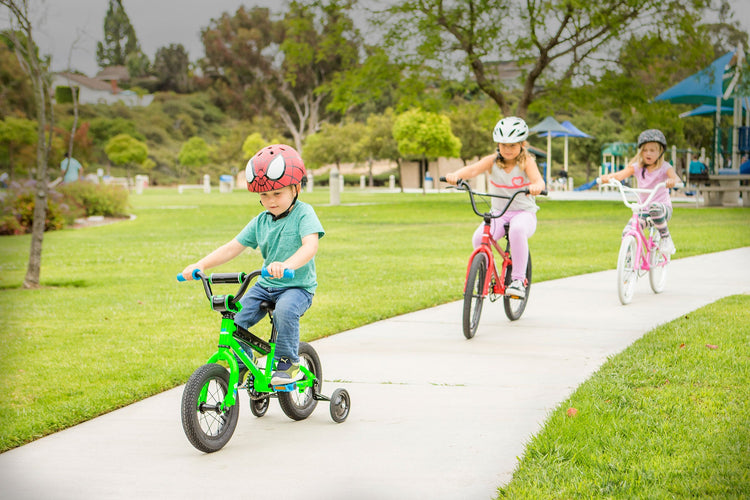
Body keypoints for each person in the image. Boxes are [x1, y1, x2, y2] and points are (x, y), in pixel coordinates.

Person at [180, 144, 324, 385]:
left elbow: (310, 246)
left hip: (296, 287)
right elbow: (232, 247)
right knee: (235, 320)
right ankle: (244, 365)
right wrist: (201, 264)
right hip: (265, 286)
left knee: (285, 310)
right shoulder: (260, 221)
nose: (271, 201)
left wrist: (286, 265)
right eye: (264, 195)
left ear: (296, 188)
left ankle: (288, 364)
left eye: (277, 193)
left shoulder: (304, 213)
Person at [445, 116, 545, 299]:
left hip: (523, 214)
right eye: (503, 145)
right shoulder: (492, 161)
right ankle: (487, 276)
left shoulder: (527, 162)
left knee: (517, 230)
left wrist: (537, 186)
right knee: (479, 239)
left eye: (512, 145)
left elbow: (539, 181)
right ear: (497, 144)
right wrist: (455, 175)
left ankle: (517, 280)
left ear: (522, 144)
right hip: (498, 213)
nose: (507, 149)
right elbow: (473, 170)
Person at [599, 129, 680, 254]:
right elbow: (620, 175)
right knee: (627, 232)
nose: (648, 153)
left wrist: (672, 181)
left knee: (654, 207)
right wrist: (608, 178)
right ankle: (629, 262)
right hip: (644, 211)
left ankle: (666, 238)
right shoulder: (637, 167)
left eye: (652, 150)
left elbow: (675, 177)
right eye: (645, 150)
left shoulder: (665, 167)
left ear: (660, 151)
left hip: (662, 210)